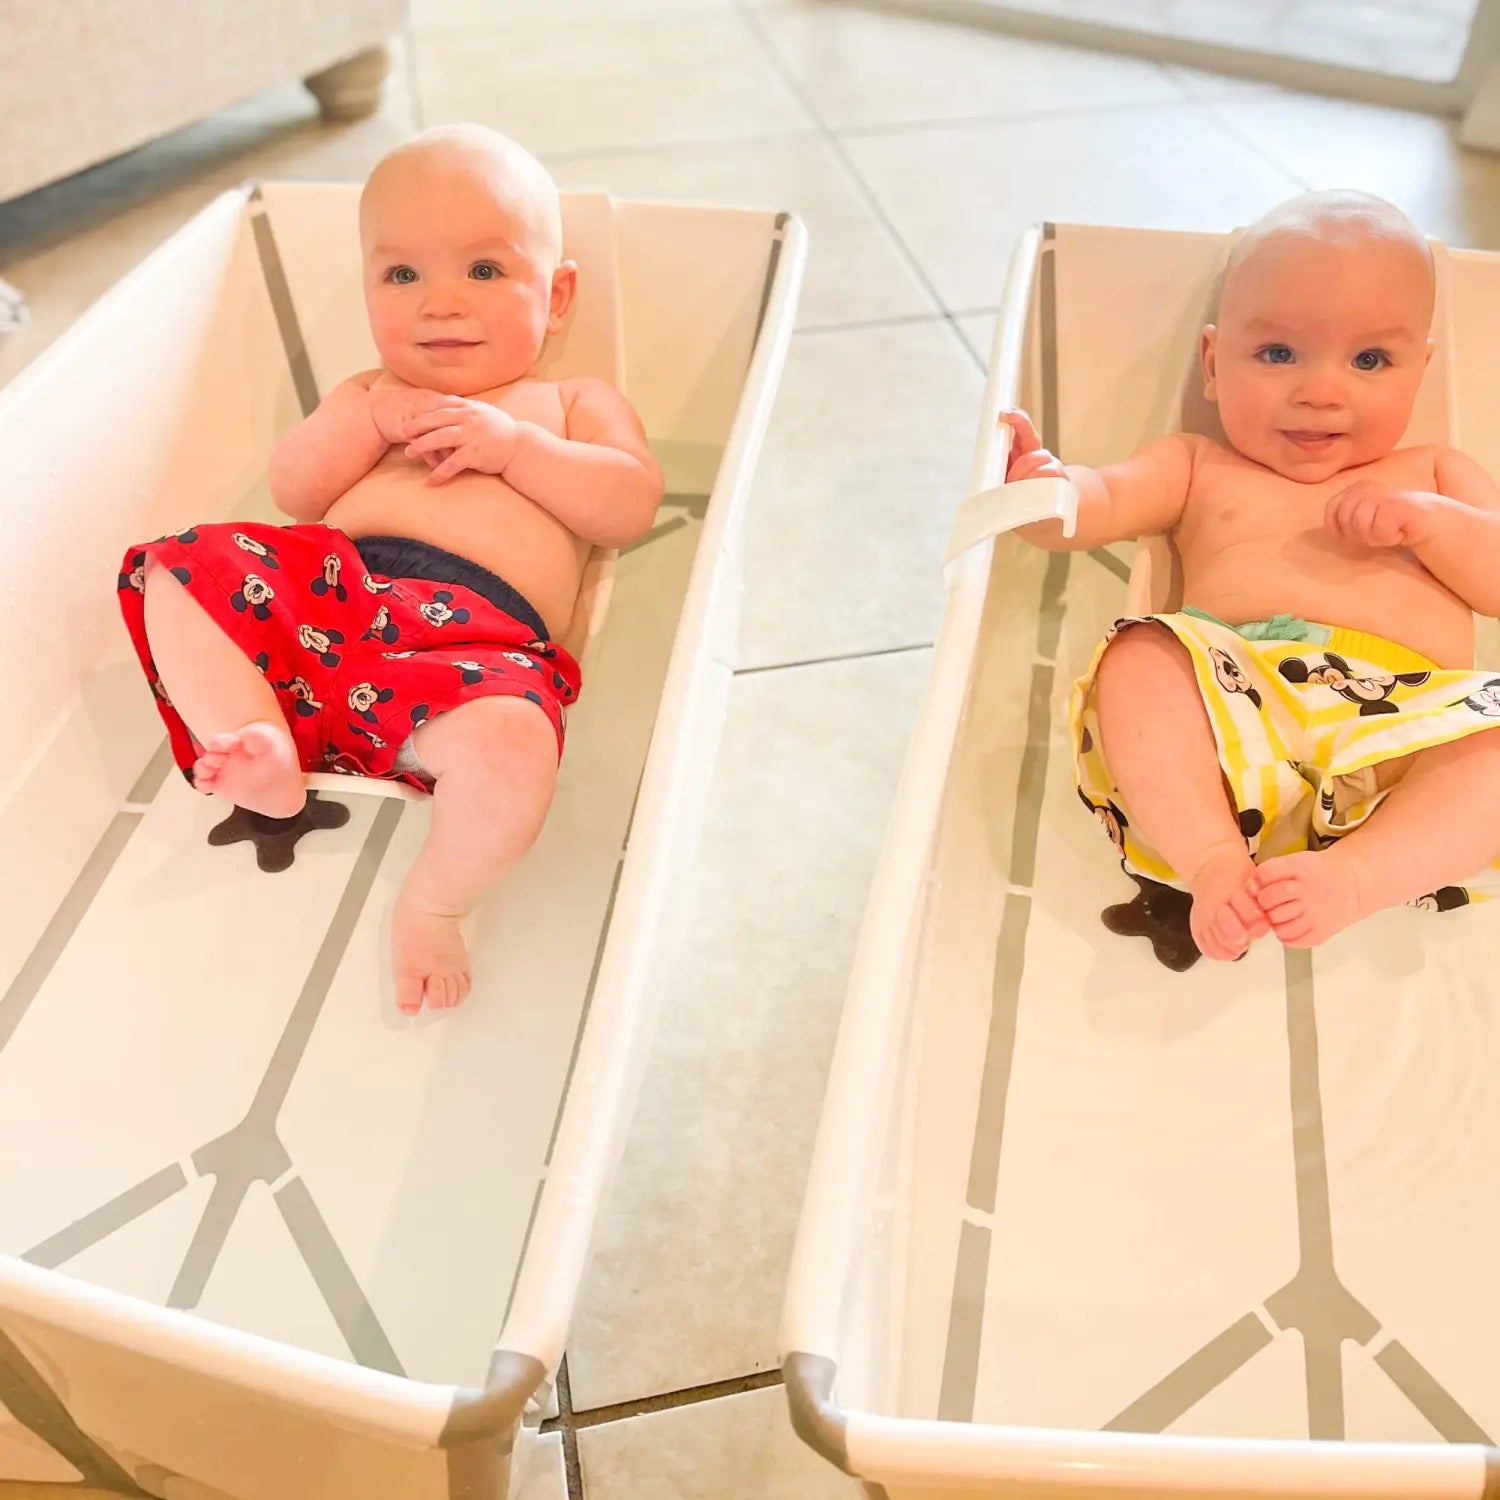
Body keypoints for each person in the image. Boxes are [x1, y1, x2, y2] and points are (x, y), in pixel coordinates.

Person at [117, 125, 663, 1013]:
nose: (440, 304)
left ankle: (435, 901)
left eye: (483, 270)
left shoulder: (568, 403)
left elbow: (629, 504)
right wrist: (366, 420)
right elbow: (295, 493)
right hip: (331, 598)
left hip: (468, 651)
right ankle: (258, 740)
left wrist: (518, 449)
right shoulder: (370, 393)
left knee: (516, 745)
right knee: (179, 569)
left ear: (557, 297)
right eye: (402, 274)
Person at [1005, 190, 1500, 962]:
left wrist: (1433, 523)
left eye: (1369, 360)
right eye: (1277, 354)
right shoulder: (1198, 465)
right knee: (1138, 657)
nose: (1321, 391)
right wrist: (1047, 489)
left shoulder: (1436, 473)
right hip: (1237, 709)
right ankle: (1212, 861)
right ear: (1213, 364)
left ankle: (1359, 877)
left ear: (1420, 371)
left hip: (1406, 728)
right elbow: (1099, 501)